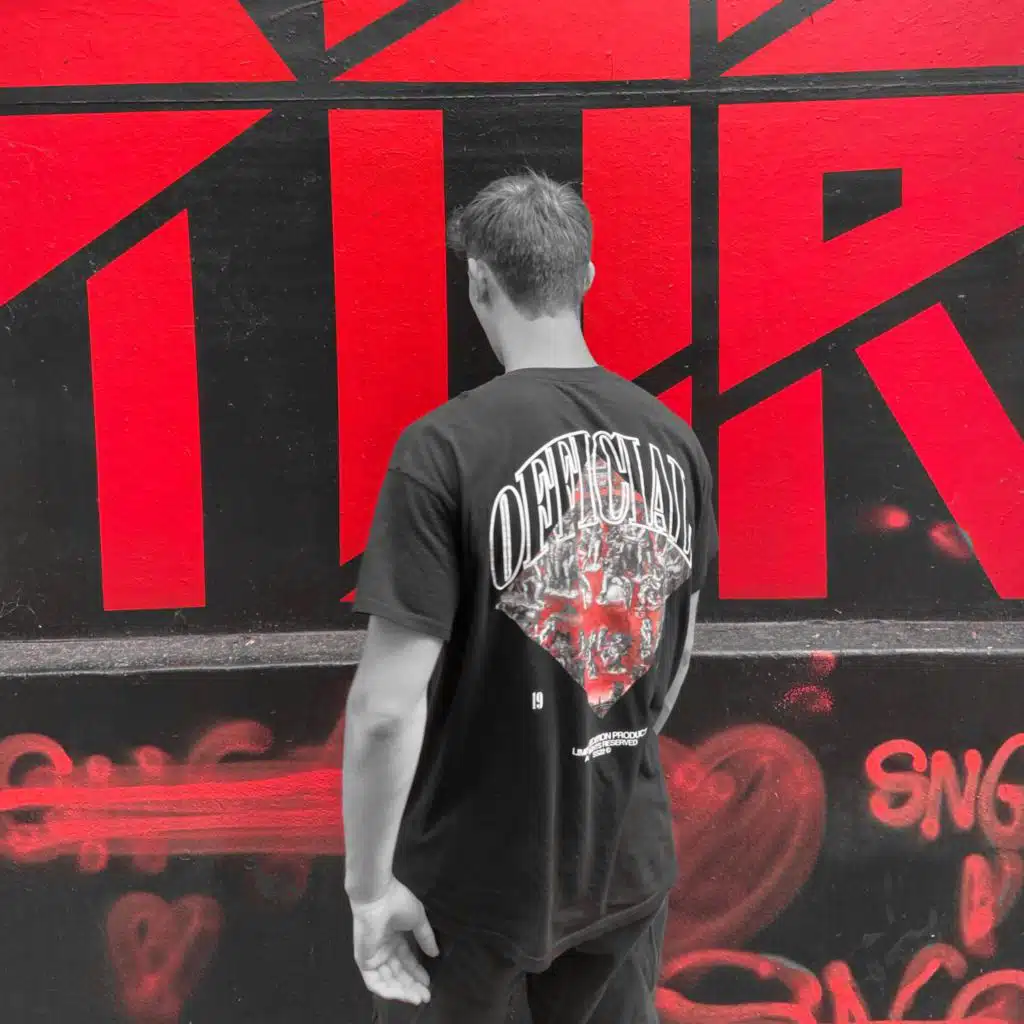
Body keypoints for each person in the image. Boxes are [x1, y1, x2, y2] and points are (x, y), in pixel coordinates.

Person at [342, 170, 718, 1023]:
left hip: (470, 887)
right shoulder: (674, 439)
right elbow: (675, 655)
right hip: (623, 863)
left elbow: (385, 711)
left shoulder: (443, 449)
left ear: (479, 282)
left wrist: (368, 891)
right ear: (587, 276)